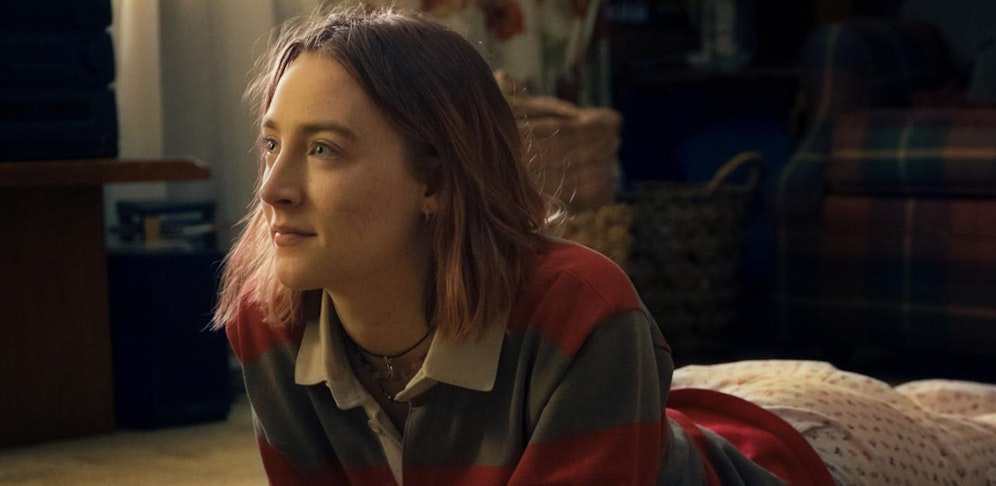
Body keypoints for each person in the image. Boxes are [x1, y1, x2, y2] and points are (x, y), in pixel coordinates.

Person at [214, 5, 996, 485]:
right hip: (667, 414)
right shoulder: (270, 324)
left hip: (801, 462)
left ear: (437, 177)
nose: (273, 186)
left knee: (965, 439)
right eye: (272, 144)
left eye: (324, 150)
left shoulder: (578, 307)